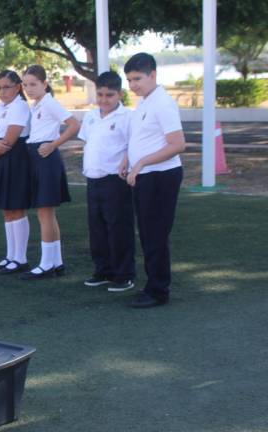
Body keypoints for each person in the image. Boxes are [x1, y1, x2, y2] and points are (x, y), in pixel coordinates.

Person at [122, 52, 185, 308]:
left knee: (155, 234)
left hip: (161, 177)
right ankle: (152, 285)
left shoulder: (163, 103)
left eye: (137, 78)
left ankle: (159, 291)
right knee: (147, 234)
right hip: (146, 176)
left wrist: (142, 162)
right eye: (129, 80)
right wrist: (127, 159)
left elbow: (178, 144)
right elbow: (143, 139)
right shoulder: (145, 102)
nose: (133, 85)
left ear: (153, 75)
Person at [77, 71, 136, 293]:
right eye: (100, 94)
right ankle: (103, 270)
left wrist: (126, 162)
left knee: (119, 227)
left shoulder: (127, 118)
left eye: (109, 95)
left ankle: (124, 274)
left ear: (120, 94)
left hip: (115, 180)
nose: (103, 99)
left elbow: (134, 145)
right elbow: (88, 142)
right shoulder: (91, 116)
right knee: (97, 228)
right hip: (93, 178)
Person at [21, 65, 80, 280]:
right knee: (45, 213)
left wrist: (54, 144)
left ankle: (47, 263)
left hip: (46, 158)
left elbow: (74, 125)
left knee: (44, 213)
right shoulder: (36, 105)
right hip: (37, 158)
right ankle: (56, 261)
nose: (29, 88)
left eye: (33, 84)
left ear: (44, 84)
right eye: (26, 85)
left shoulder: (50, 103)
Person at [0, 70, 32, 275]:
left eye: (7, 87)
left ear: (18, 87)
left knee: (16, 208)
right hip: (0, 159)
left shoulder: (20, 107)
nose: (2, 91)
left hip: (16, 159)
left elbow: (9, 142)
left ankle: (20, 258)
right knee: (6, 209)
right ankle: (10, 256)